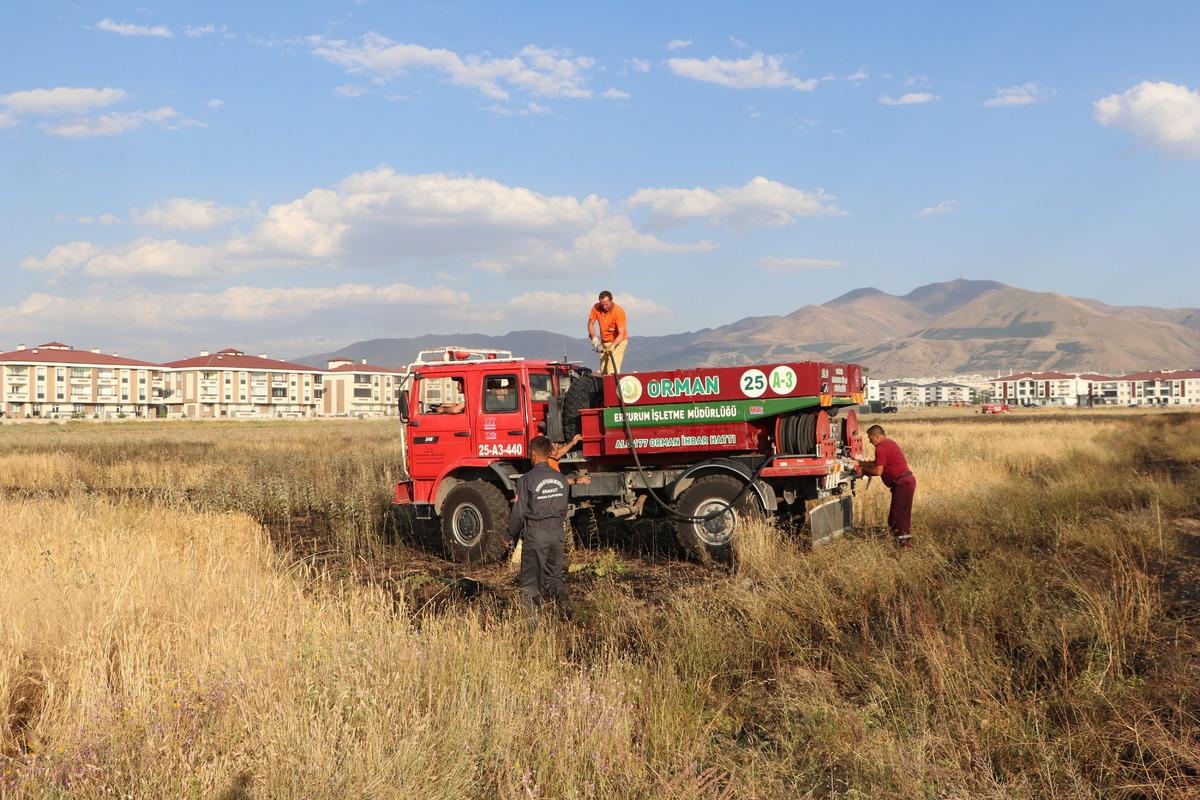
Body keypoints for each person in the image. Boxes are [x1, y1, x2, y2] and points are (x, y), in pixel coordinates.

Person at [508, 436, 572, 618]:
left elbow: (519, 513)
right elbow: (564, 507)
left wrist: (509, 535)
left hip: (537, 534)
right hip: (558, 533)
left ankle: (531, 626)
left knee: (531, 583)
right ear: (550, 453)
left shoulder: (526, 479)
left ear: (533, 454)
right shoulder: (561, 479)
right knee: (554, 578)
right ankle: (567, 611)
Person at [854, 424, 917, 549]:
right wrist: (859, 463)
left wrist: (862, 471)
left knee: (899, 517)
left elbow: (878, 471)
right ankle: (900, 544)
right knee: (896, 516)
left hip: (903, 484)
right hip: (904, 482)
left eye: (870, 439)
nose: (870, 442)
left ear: (876, 436)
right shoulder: (889, 443)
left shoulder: (881, 448)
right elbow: (877, 463)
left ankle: (905, 547)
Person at [586, 290, 628, 374]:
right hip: (605, 342)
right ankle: (607, 385)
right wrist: (595, 340)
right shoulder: (596, 307)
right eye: (602, 305)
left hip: (618, 342)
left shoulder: (619, 311)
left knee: (611, 369)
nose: (604, 307)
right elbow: (590, 324)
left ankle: (613, 384)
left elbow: (621, 334)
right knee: (603, 371)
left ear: (611, 300)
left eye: (607, 304)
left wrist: (613, 346)